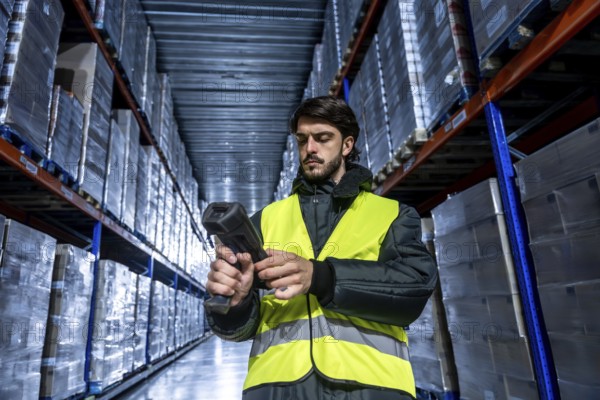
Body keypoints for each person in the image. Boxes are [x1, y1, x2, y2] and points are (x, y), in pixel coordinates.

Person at [205, 96, 438, 400]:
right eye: (302, 140)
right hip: (276, 387)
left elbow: (414, 288)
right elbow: (237, 329)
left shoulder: (392, 214)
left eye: (322, 138)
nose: (310, 149)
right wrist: (234, 306)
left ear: (346, 145)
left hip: (371, 387)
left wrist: (320, 277)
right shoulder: (264, 220)